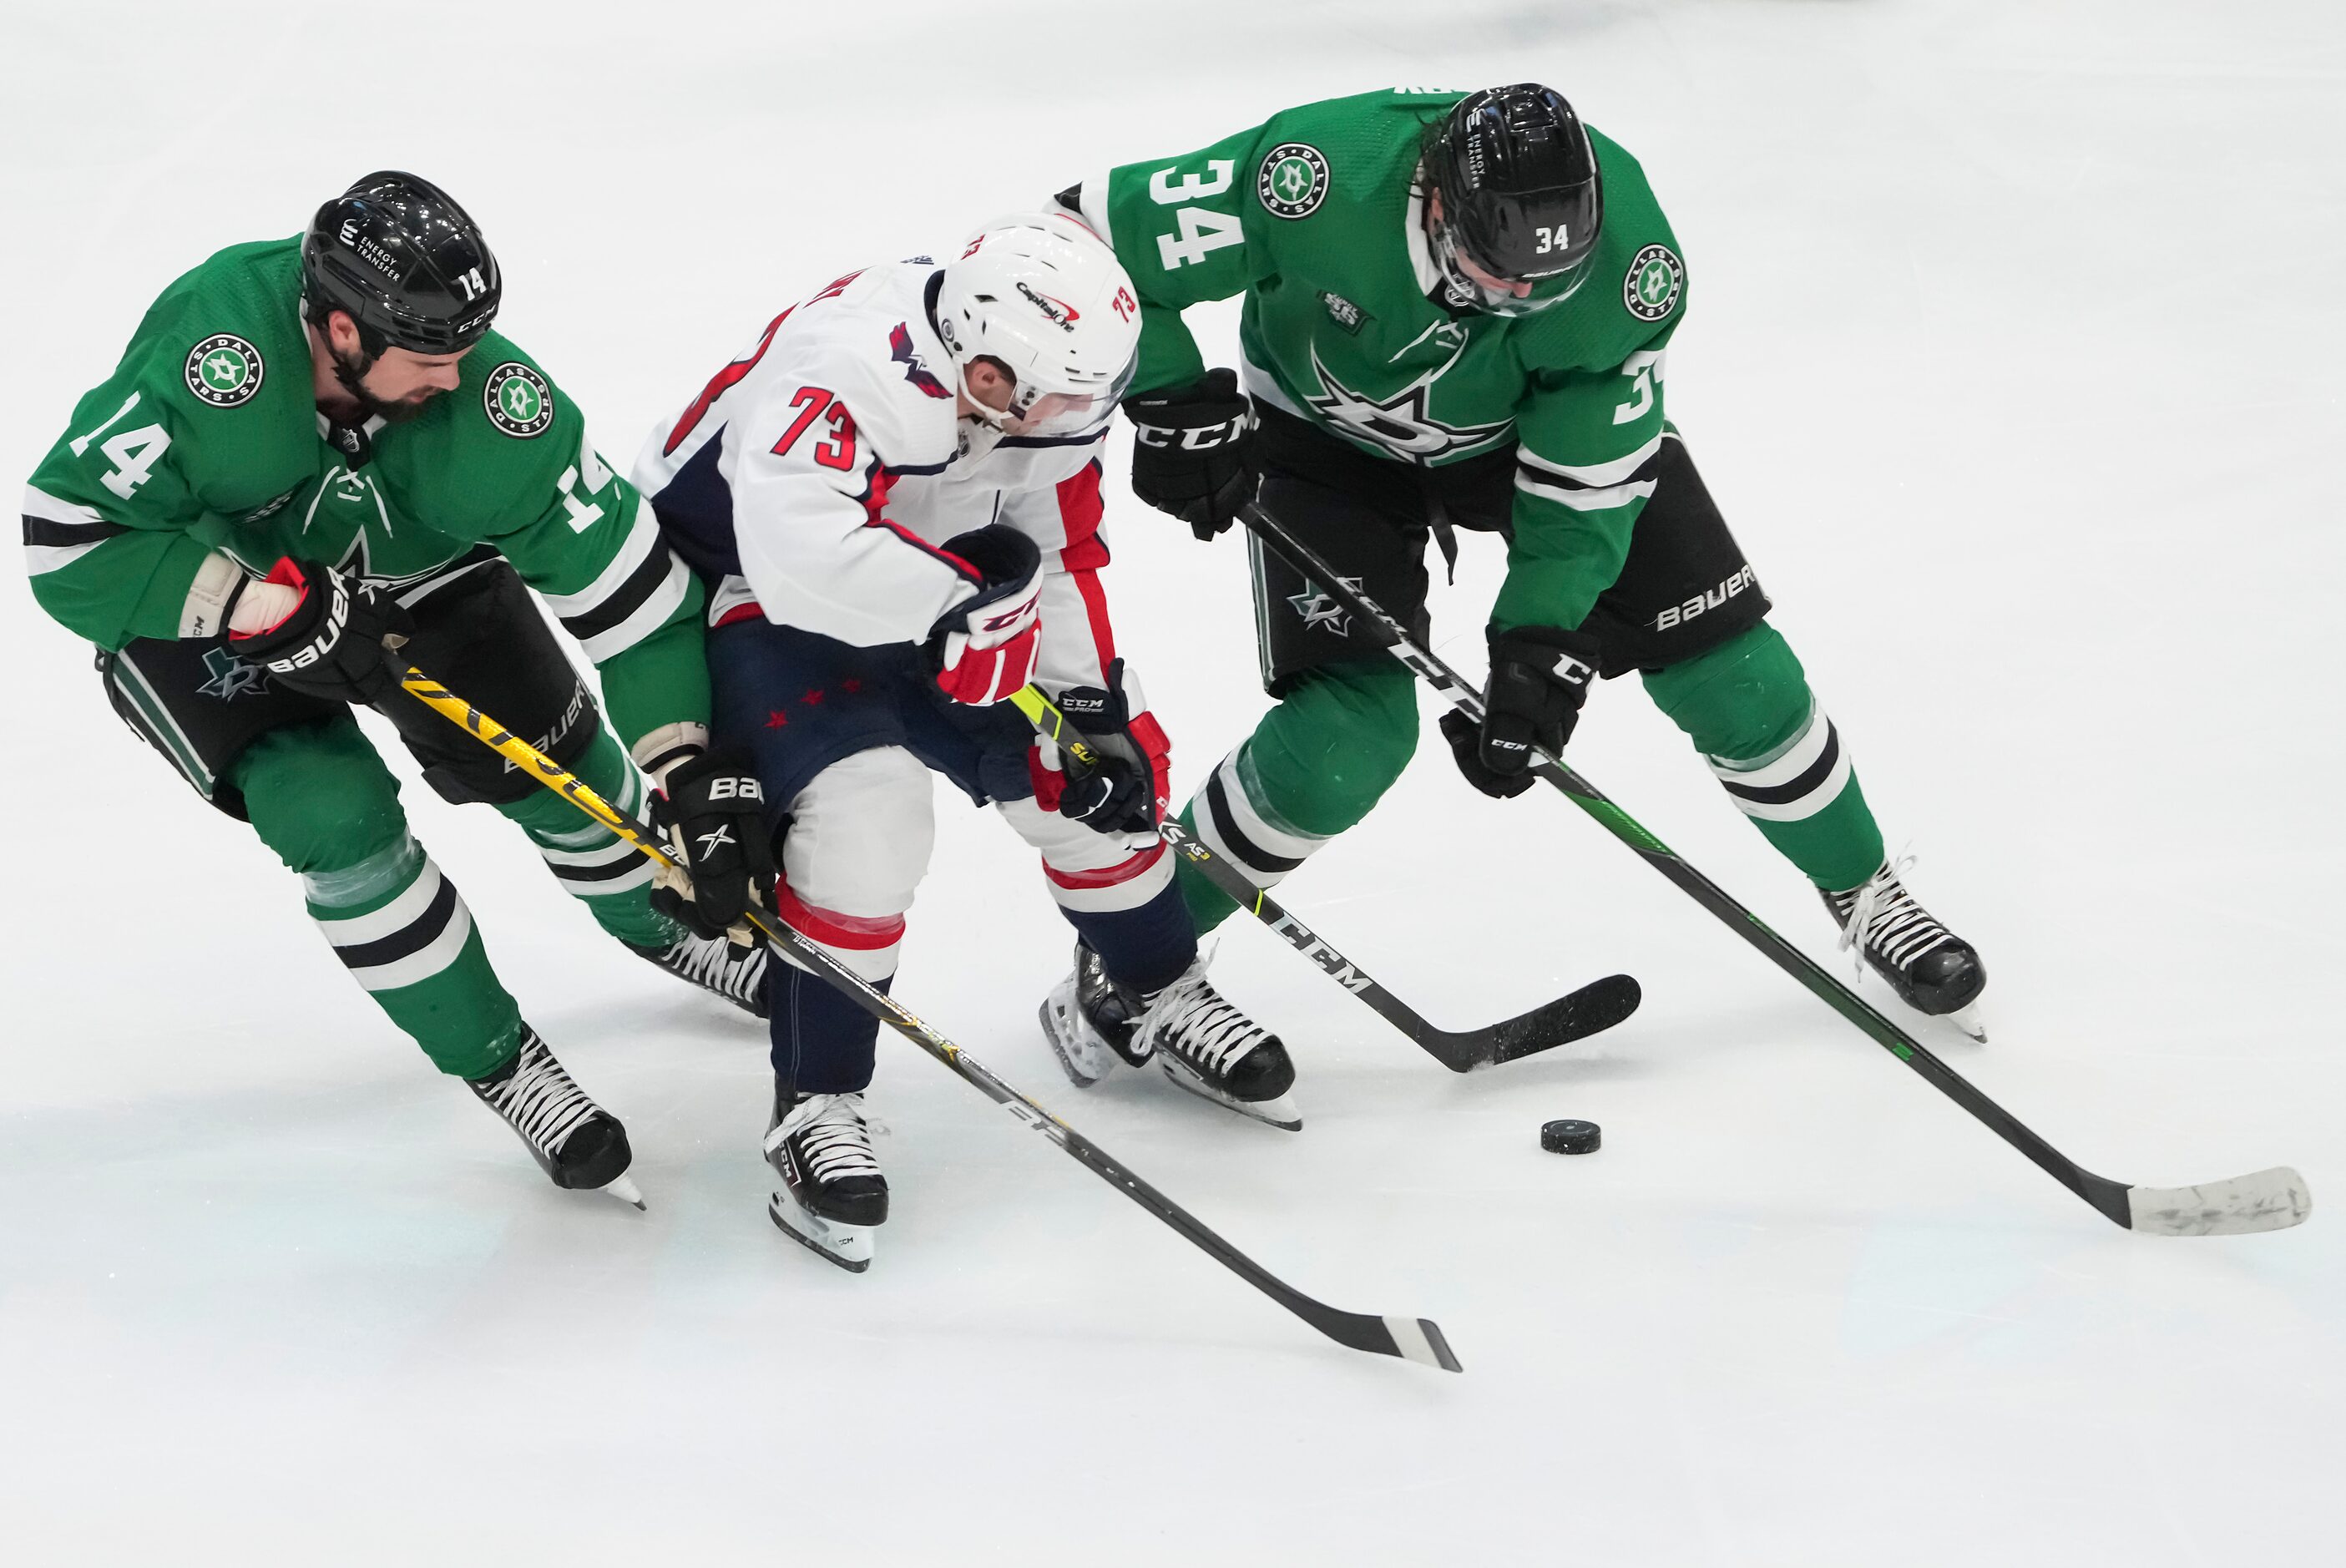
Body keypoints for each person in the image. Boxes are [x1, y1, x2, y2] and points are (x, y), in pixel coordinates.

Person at [1049, 85, 1987, 1033]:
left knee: (1730, 668)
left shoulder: (1634, 270)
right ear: (1437, 200)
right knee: (1346, 746)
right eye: (1493, 272)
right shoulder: (1318, 172)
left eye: (1544, 284)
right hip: (1317, 437)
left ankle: (1862, 890)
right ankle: (1135, 960)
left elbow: (1584, 482)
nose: (1516, 298)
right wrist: (1172, 399)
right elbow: (1087, 237)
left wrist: (1537, 640)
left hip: (1513, 440)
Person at [20, 171, 768, 1206]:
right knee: (333, 816)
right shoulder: (213, 354)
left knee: (559, 762)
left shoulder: (499, 409)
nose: (457, 383)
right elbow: (66, 544)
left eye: (464, 354)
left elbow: (638, 604)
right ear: (340, 329)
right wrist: (254, 607)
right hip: (194, 584)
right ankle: (501, 1060)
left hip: (414, 568)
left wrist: (685, 766)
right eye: (430, 361)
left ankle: (661, 923)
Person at [633, 213, 1294, 1272]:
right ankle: (816, 1105)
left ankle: (1151, 983)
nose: (1074, 421)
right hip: (750, 596)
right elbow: (799, 553)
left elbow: (1057, 541)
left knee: (1084, 782)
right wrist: (958, 608)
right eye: (1057, 398)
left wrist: (1084, 704)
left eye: (1088, 401)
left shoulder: (1036, 383)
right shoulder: (851, 362)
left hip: (938, 587)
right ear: (987, 362)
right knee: (867, 820)